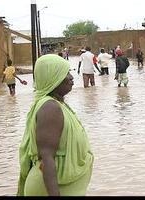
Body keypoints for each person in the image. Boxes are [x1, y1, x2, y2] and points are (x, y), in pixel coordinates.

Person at [17, 54, 94, 196]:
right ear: (52, 77)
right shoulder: (50, 107)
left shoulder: (56, 103)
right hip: (51, 188)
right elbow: (46, 157)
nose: (71, 77)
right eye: (65, 73)